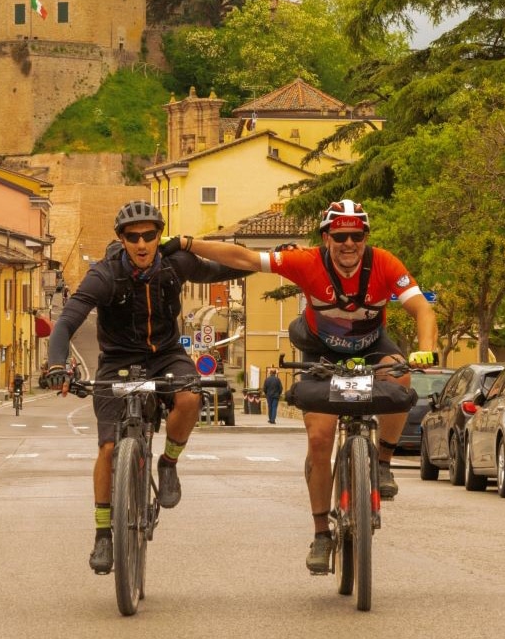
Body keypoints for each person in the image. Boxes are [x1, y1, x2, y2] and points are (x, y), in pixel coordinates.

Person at [167, 198, 438, 574]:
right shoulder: (307, 262)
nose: (348, 244)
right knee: (319, 437)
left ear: (365, 238)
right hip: (319, 351)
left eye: (356, 236)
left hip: (372, 345)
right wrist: (187, 243)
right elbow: (246, 259)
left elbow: (422, 307)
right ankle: (321, 533)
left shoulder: (385, 264)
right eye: (340, 236)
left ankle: (382, 463)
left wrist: (426, 350)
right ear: (326, 238)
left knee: (401, 375)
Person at [42, 200, 250, 575]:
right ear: (121, 240)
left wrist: (258, 261)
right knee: (108, 448)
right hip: (117, 361)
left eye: (149, 236)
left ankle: (168, 463)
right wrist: (57, 364)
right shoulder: (104, 275)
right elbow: (66, 322)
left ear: (159, 236)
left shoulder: (175, 264)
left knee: (190, 397)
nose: (141, 244)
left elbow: (227, 268)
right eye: (133, 237)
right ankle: (103, 534)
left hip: (166, 355)